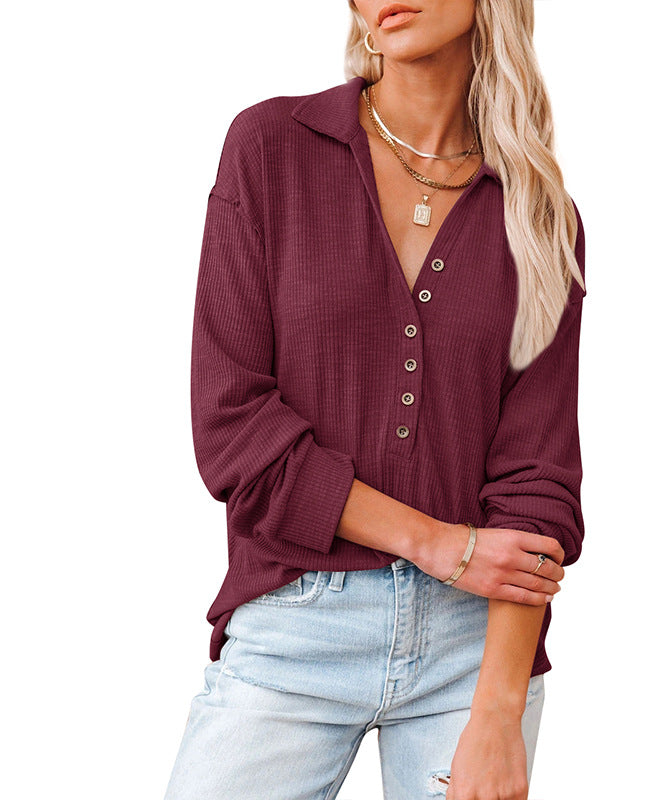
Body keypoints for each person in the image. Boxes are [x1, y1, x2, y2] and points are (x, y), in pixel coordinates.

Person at [163, 1, 587, 798]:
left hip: (474, 651)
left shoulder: (539, 217)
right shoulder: (271, 148)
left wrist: (498, 712)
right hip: (294, 620)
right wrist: (440, 544)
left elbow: (539, 484)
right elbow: (233, 429)